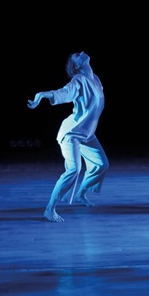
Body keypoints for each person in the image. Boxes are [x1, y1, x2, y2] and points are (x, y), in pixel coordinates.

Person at [27, 51, 109, 223]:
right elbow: (64, 93)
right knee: (74, 169)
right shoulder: (79, 80)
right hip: (71, 133)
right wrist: (43, 95)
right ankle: (50, 209)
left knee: (101, 164)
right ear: (77, 65)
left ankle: (80, 194)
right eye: (77, 55)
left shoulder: (96, 79)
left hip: (87, 134)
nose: (82, 52)